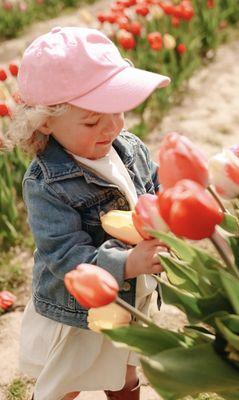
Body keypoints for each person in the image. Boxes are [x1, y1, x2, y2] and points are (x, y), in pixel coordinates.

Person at [7, 26, 170, 400]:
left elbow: (154, 184)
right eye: (93, 121)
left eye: (118, 111)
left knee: (126, 373)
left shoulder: (126, 146)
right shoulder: (47, 183)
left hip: (132, 297)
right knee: (67, 380)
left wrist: (168, 212)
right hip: (78, 309)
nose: (112, 127)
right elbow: (64, 256)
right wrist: (128, 262)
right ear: (44, 122)